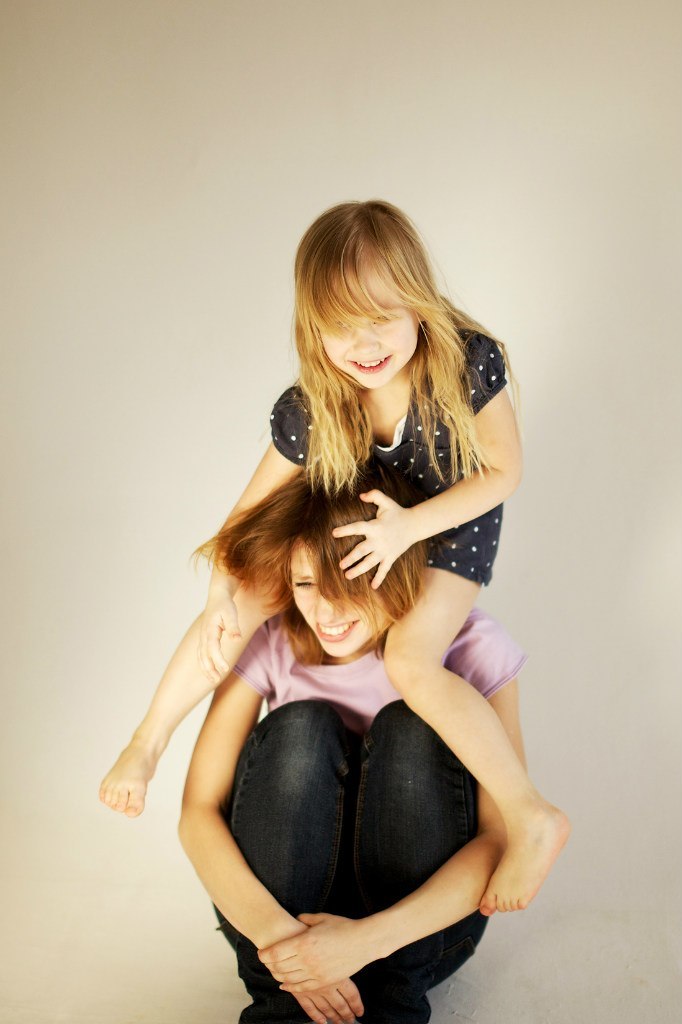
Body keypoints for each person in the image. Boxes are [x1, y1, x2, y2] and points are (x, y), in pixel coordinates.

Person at [100, 200, 569, 914]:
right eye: (340, 327)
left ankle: (528, 812)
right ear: (311, 329)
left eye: (382, 318)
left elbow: (504, 472)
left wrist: (411, 529)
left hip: (449, 526)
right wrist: (221, 592)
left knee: (411, 660)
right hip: (368, 529)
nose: (365, 344)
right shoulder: (314, 404)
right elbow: (245, 518)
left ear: (419, 303)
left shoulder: (466, 362)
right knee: (245, 600)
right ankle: (147, 738)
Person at [179, 467, 529, 1024]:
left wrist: (364, 943)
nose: (325, 612)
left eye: (349, 580)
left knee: (411, 727)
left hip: (413, 935)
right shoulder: (273, 639)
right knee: (301, 727)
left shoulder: (470, 645)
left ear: (395, 563)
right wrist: (283, 943)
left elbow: (500, 835)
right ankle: (283, 1007)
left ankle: (392, 1005)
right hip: (283, 928)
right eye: (305, 584)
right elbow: (198, 811)